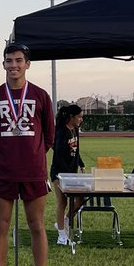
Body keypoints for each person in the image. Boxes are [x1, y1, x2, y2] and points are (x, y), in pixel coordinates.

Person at [0, 42, 55, 266]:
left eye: (19, 60)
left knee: (37, 225)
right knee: (1, 225)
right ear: (3, 64)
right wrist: (4, 156)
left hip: (34, 171)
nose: (14, 65)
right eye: (9, 60)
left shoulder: (41, 96)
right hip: (3, 171)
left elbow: (49, 136)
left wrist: (31, 156)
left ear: (27, 64)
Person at [50, 104, 85, 245]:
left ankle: (63, 221)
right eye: (79, 117)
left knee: (80, 199)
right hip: (59, 173)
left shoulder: (75, 129)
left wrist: (80, 163)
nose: (81, 119)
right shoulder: (61, 132)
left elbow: (75, 149)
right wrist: (65, 175)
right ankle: (61, 236)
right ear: (71, 117)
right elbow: (58, 155)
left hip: (72, 173)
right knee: (62, 202)